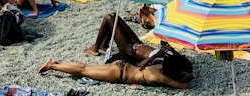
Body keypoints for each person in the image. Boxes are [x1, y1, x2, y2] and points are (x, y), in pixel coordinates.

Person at [37, 56, 190, 90]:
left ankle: (58, 64)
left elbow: (143, 64)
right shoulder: (162, 77)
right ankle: (53, 66)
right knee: (84, 71)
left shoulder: (159, 66)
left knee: (85, 67)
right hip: (118, 75)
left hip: (121, 65)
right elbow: (184, 87)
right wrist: (187, 77)